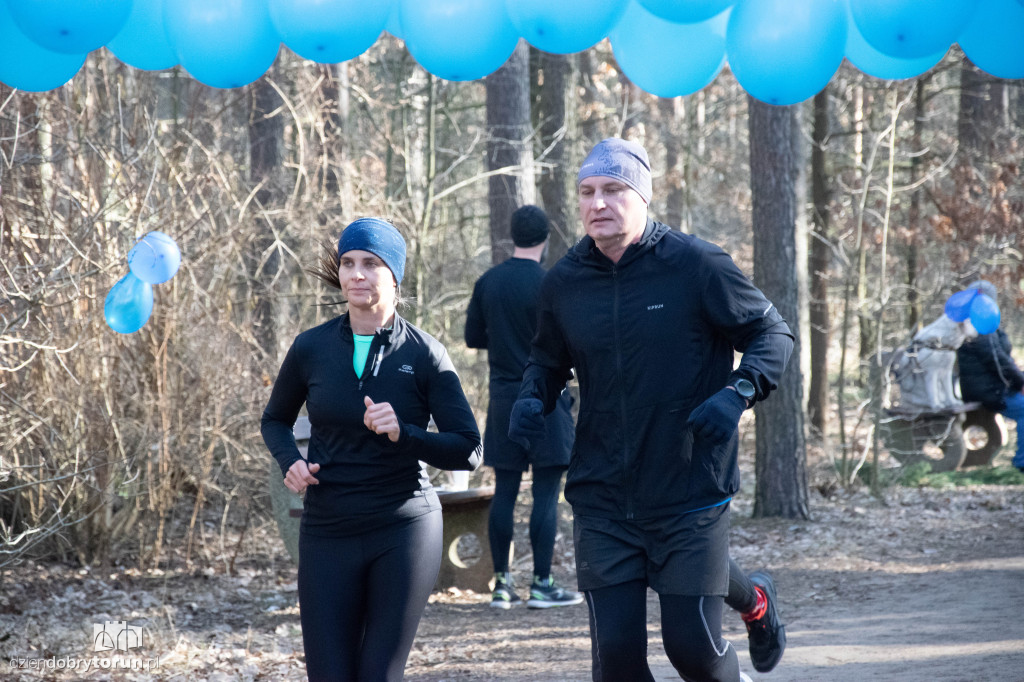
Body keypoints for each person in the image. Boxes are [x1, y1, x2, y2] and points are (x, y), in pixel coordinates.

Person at [509, 138, 794, 682]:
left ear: (642, 195)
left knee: (693, 650)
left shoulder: (696, 264)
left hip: (689, 487)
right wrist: (531, 396)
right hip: (602, 494)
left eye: (613, 189)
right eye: (587, 191)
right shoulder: (564, 282)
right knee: (615, 660)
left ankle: (756, 600)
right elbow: (546, 360)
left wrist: (737, 393)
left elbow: (771, 332)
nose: (598, 203)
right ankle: (749, 595)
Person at [261, 217, 482, 682]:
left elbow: (469, 449)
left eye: (371, 264)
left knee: (377, 675)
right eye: (348, 263)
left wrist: (406, 433)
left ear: (395, 275)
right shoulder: (311, 348)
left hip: (402, 527)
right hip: (328, 528)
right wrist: (291, 461)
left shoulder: (424, 354)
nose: (357, 274)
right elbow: (274, 420)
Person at [465, 205, 582, 610]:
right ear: (546, 239)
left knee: (506, 491)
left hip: (503, 399)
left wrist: (504, 341)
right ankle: (542, 585)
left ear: (511, 236)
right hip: (546, 396)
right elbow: (571, 342)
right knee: (546, 494)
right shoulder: (553, 283)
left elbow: (472, 337)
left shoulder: (488, 282)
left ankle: (501, 585)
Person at [956, 280, 1024, 472]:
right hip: (986, 391)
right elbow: (999, 362)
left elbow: (1002, 360)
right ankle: (1022, 462)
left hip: (992, 386)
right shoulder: (977, 328)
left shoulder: (981, 324)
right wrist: (1020, 383)